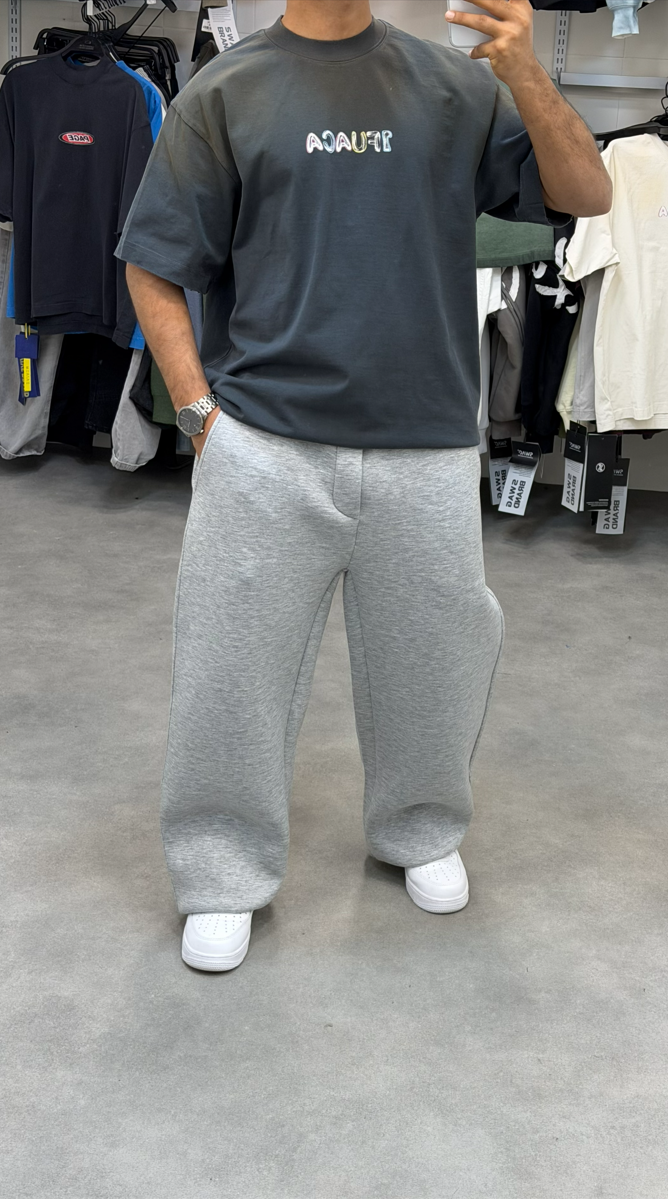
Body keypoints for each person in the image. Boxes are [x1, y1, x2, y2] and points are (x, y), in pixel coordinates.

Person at [119, 0, 611, 972]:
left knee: (433, 663)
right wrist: (199, 416)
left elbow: (585, 192)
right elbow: (154, 260)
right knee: (230, 671)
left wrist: (525, 71)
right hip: (264, 443)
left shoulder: (454, 85)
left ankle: (419, 827)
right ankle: (220, 868)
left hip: (424, 441)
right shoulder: (225, 89)